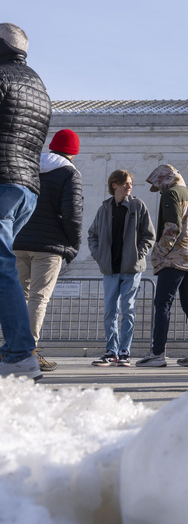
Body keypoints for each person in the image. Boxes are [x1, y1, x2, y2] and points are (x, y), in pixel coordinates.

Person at [0, 23, 51, 381]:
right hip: (27, 188)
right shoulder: (37, 85)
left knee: (1, 267)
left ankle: (19, 354)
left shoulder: (1, 76)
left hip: (2, 183)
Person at [12, 128, 82, 372]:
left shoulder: (30, 166)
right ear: (74, 152)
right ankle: (29, 352)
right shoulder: (69, 173)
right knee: (38, 298)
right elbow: (72, 214)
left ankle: (12, 348)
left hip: (19, 241)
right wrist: (74, 244)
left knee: (18, 296)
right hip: (48, 246)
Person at [137, 164, 188, 368]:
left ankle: (158, 353)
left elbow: (172, 227)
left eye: (159, 184)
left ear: (166, 179)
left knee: (162, 304)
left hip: (174, 258)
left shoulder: (171, 195)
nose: (159, 189)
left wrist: (158, 252)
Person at [88, 170, 155, 367]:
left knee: (128, 310)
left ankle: (124, 351)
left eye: (130, 183)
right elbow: (92, 235)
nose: (129, 186)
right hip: (109, 268)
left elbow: (149, 235)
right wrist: (98, 255)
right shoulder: (104, 209)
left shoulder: (138, 206)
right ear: (114, 185)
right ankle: (111, 351)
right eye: (125, 183)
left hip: (131, 268)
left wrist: (138, 254)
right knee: (110, 311)